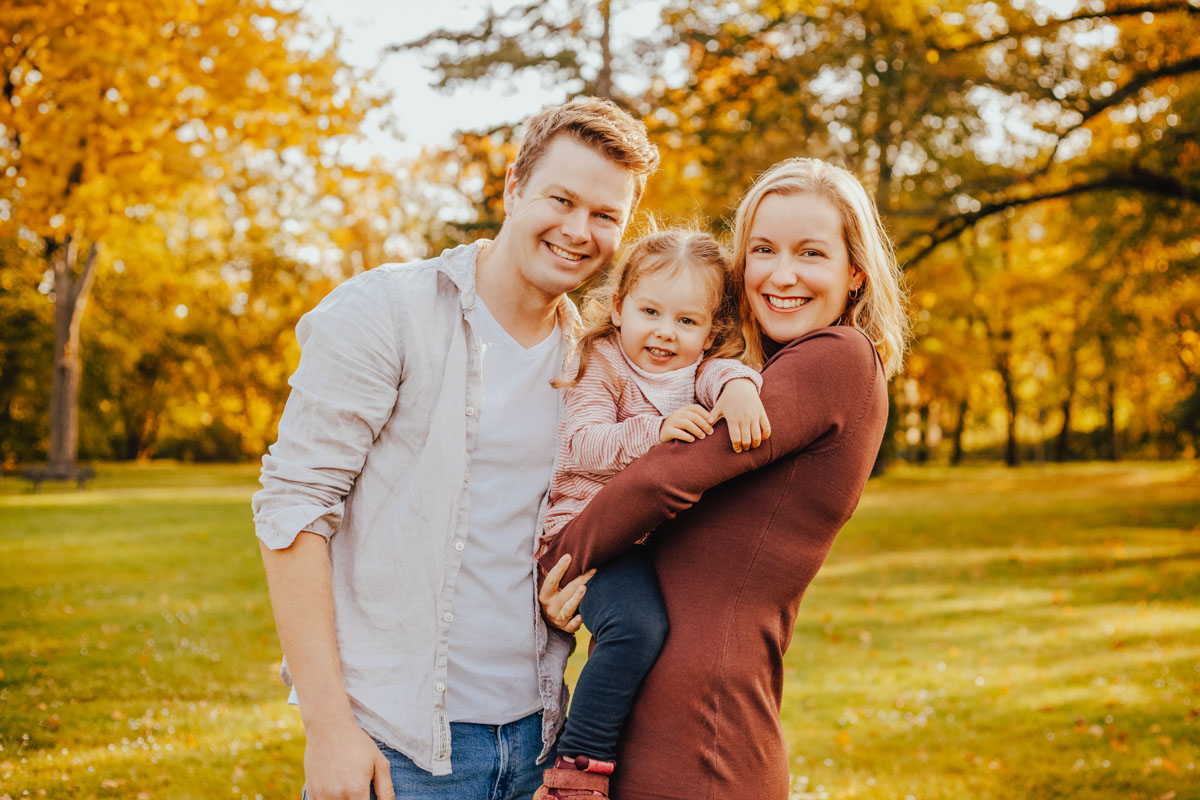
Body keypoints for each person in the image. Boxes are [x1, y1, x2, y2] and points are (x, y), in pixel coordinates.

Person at [251, 97, 658, 800]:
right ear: (511, 187)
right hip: (399, 747)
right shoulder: (387, 312)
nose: (577, 230)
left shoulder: (599, 363)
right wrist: (328, 728)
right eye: (561, 199)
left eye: (604, 216)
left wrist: (575, 588)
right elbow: (294, 510)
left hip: (539, 737)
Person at [536, 157, 909, 800]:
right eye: (763, 249)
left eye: (811, 253)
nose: (782, 274)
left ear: (855, 273)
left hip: (701, 736)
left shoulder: (836, 357)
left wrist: (561, 559)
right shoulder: (754, 367)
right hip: (652, 718)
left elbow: (665, 479)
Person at [532, 229, 770, 800]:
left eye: (687, 321)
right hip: (583, 531)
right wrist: (656, 433)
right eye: (650, 311)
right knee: (636, 630)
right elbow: (582, 443)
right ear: (618, 308)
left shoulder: (701, 369)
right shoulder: (602, 362)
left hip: (646, 542)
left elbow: (722, 376)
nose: (666, 331)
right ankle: (577, 768)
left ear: (711, 331)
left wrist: (739, 388)